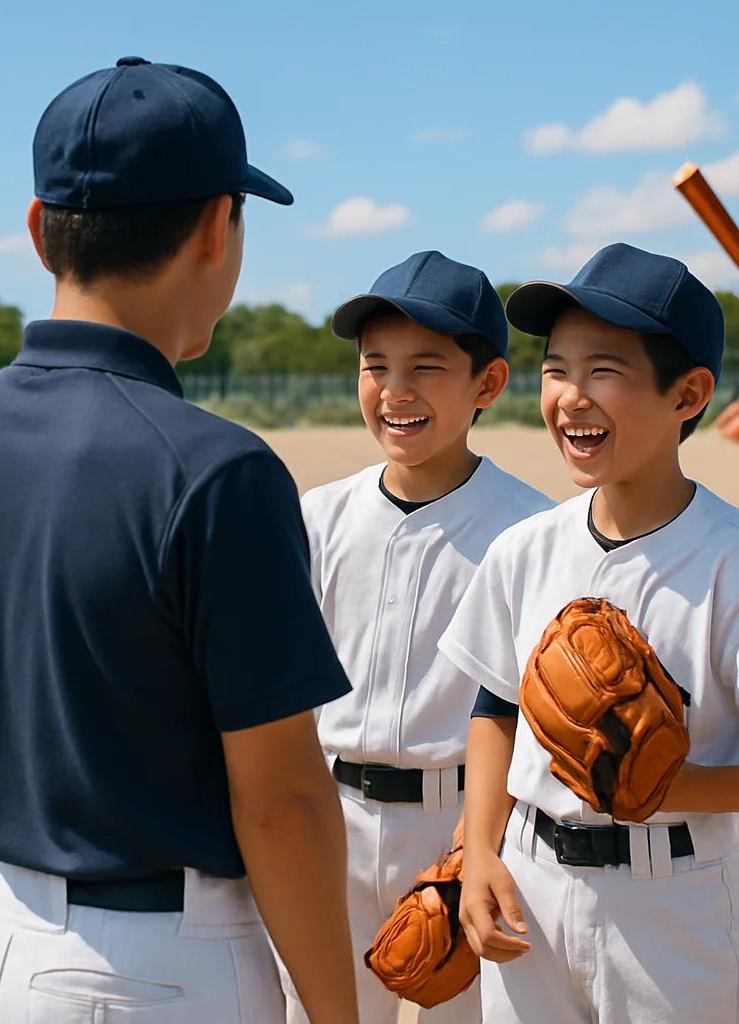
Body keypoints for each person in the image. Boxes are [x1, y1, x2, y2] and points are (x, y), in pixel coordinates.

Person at [0, 56, 359, 1023]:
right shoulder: (216, 470)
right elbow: (280, 803)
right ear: (214, 226)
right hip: (155, 967)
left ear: (38, 231)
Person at [439, 242, 739, 1024]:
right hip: (529, 890)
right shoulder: (527, 547)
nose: (571, 395)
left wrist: (669, 787)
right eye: (556, 368)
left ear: (689, 394)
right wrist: (477, 854)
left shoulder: (728, 562)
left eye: (603, 369)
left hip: (675, 902)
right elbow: (493, 707)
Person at [287, 251, 552, 1024]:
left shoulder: (530, 528)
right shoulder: (318, 516)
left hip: (466, 827)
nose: (395, 390)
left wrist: (484, 847)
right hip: (330, 817)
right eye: (376, 365)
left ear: (488, 385)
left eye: (427, 366)